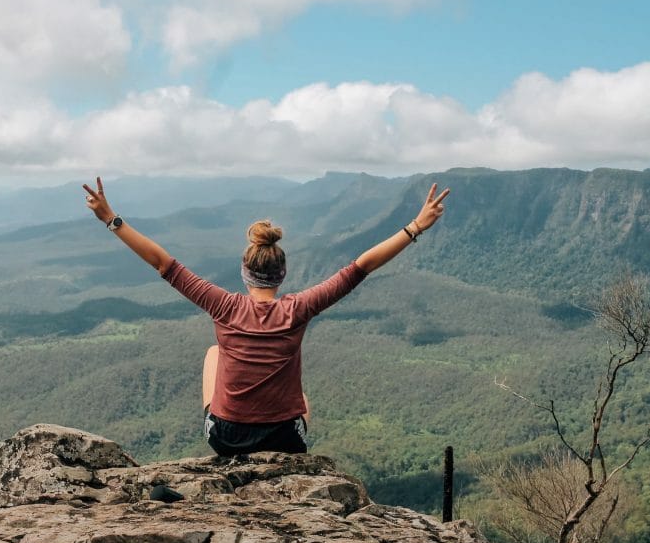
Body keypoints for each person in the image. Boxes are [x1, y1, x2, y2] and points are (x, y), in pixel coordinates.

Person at [82, 176, 450, 457]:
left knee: (215, 353)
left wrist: (111, 219)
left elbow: (162, 262)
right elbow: (361, 267)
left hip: (226, 438)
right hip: (284, 440)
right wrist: (415, 227)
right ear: (283, 274)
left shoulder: (223, 305)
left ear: (245, 271)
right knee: (302, 398)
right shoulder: (299, 308)